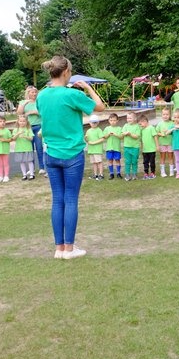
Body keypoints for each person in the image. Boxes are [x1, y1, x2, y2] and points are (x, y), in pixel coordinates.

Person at [36, 55, 104, 259]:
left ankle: (59, 249)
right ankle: (69, 248)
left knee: (57, 200)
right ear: (66, 72)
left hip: (51, 154)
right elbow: (100, 107)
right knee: (70, 200)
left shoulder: (41, 95)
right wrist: (88, 88)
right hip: (72, 154)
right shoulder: (72, 94)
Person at [17, 86, 45, 176]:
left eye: (35, 92)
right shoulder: (23, 102)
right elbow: (19, 113)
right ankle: (31, 168)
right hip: (28, 127)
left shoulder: (39, 102)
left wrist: (34, 112)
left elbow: (44, 113)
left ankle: (42, 167)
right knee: (29, 149)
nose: (34, 94)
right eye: (32, 92)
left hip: (38, 126)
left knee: (39, 147)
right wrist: (25, 103)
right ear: (28, 93)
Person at [13, 115, 36, 180]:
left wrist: (25, 136)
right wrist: (18, 134)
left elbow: (31, 138)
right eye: (20, 121)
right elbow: (13, 138)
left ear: (26, 122)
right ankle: (24, 175)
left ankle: (32, 174)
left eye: (24, 121)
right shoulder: (16, 129)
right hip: (19, 148)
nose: (22, 122)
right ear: (18, 121)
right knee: (22, 162)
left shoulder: (28, 129)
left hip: (28, 148)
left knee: (29, 161)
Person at [103, 113, 124, 179]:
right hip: (109, 148)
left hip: (116, 148)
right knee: (110, 160)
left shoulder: (119, 128)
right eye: (111, 120)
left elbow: (121, 137)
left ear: (117, 121)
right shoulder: (107, 128)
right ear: (109, 121)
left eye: (114, 120)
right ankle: (111, 173)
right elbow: (104, 137)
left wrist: (115, 135)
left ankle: (118, 173)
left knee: (117, 160)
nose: (113, 122)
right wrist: (108, 134)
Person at [121, 112, 141, 181]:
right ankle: (127, 174)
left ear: (135, 118)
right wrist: (125, 133)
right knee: (127, 161)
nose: (128, 119)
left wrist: (130, 134)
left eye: (130, 118)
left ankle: (134, 174)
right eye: (127, 118)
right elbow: (122, 133)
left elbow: (136, 136)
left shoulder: (137, 126)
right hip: (127, 147)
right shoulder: (125, 125)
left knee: (134, 161)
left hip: (135, 147)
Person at [85, 115, 105, 180]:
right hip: (91, 150)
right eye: (92, 122)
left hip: (97, 150)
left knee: (99, 162)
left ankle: (101, 174)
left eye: (95, 122)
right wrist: (85, 139)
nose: (94, 124)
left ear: (98, 123)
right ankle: (95, 174)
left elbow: (102, 139)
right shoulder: (88, 131)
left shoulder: (99, 130)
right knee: (94, 163)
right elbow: (87, 140)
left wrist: (94, 143)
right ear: (89, 123)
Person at [156, 108, 174, 177]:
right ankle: (162, 172)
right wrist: (161, 134)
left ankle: (171, 171)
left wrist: (169, 132)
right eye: (164, 114)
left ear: (170, 115)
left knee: (171, 157)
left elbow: (174, 132)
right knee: (162, 157)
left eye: (167, 114)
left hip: (170, 143)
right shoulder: (160, 124)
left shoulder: (172, 123)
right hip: (162, 143)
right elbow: (156, 132)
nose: (165, 116)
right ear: (161, 115)